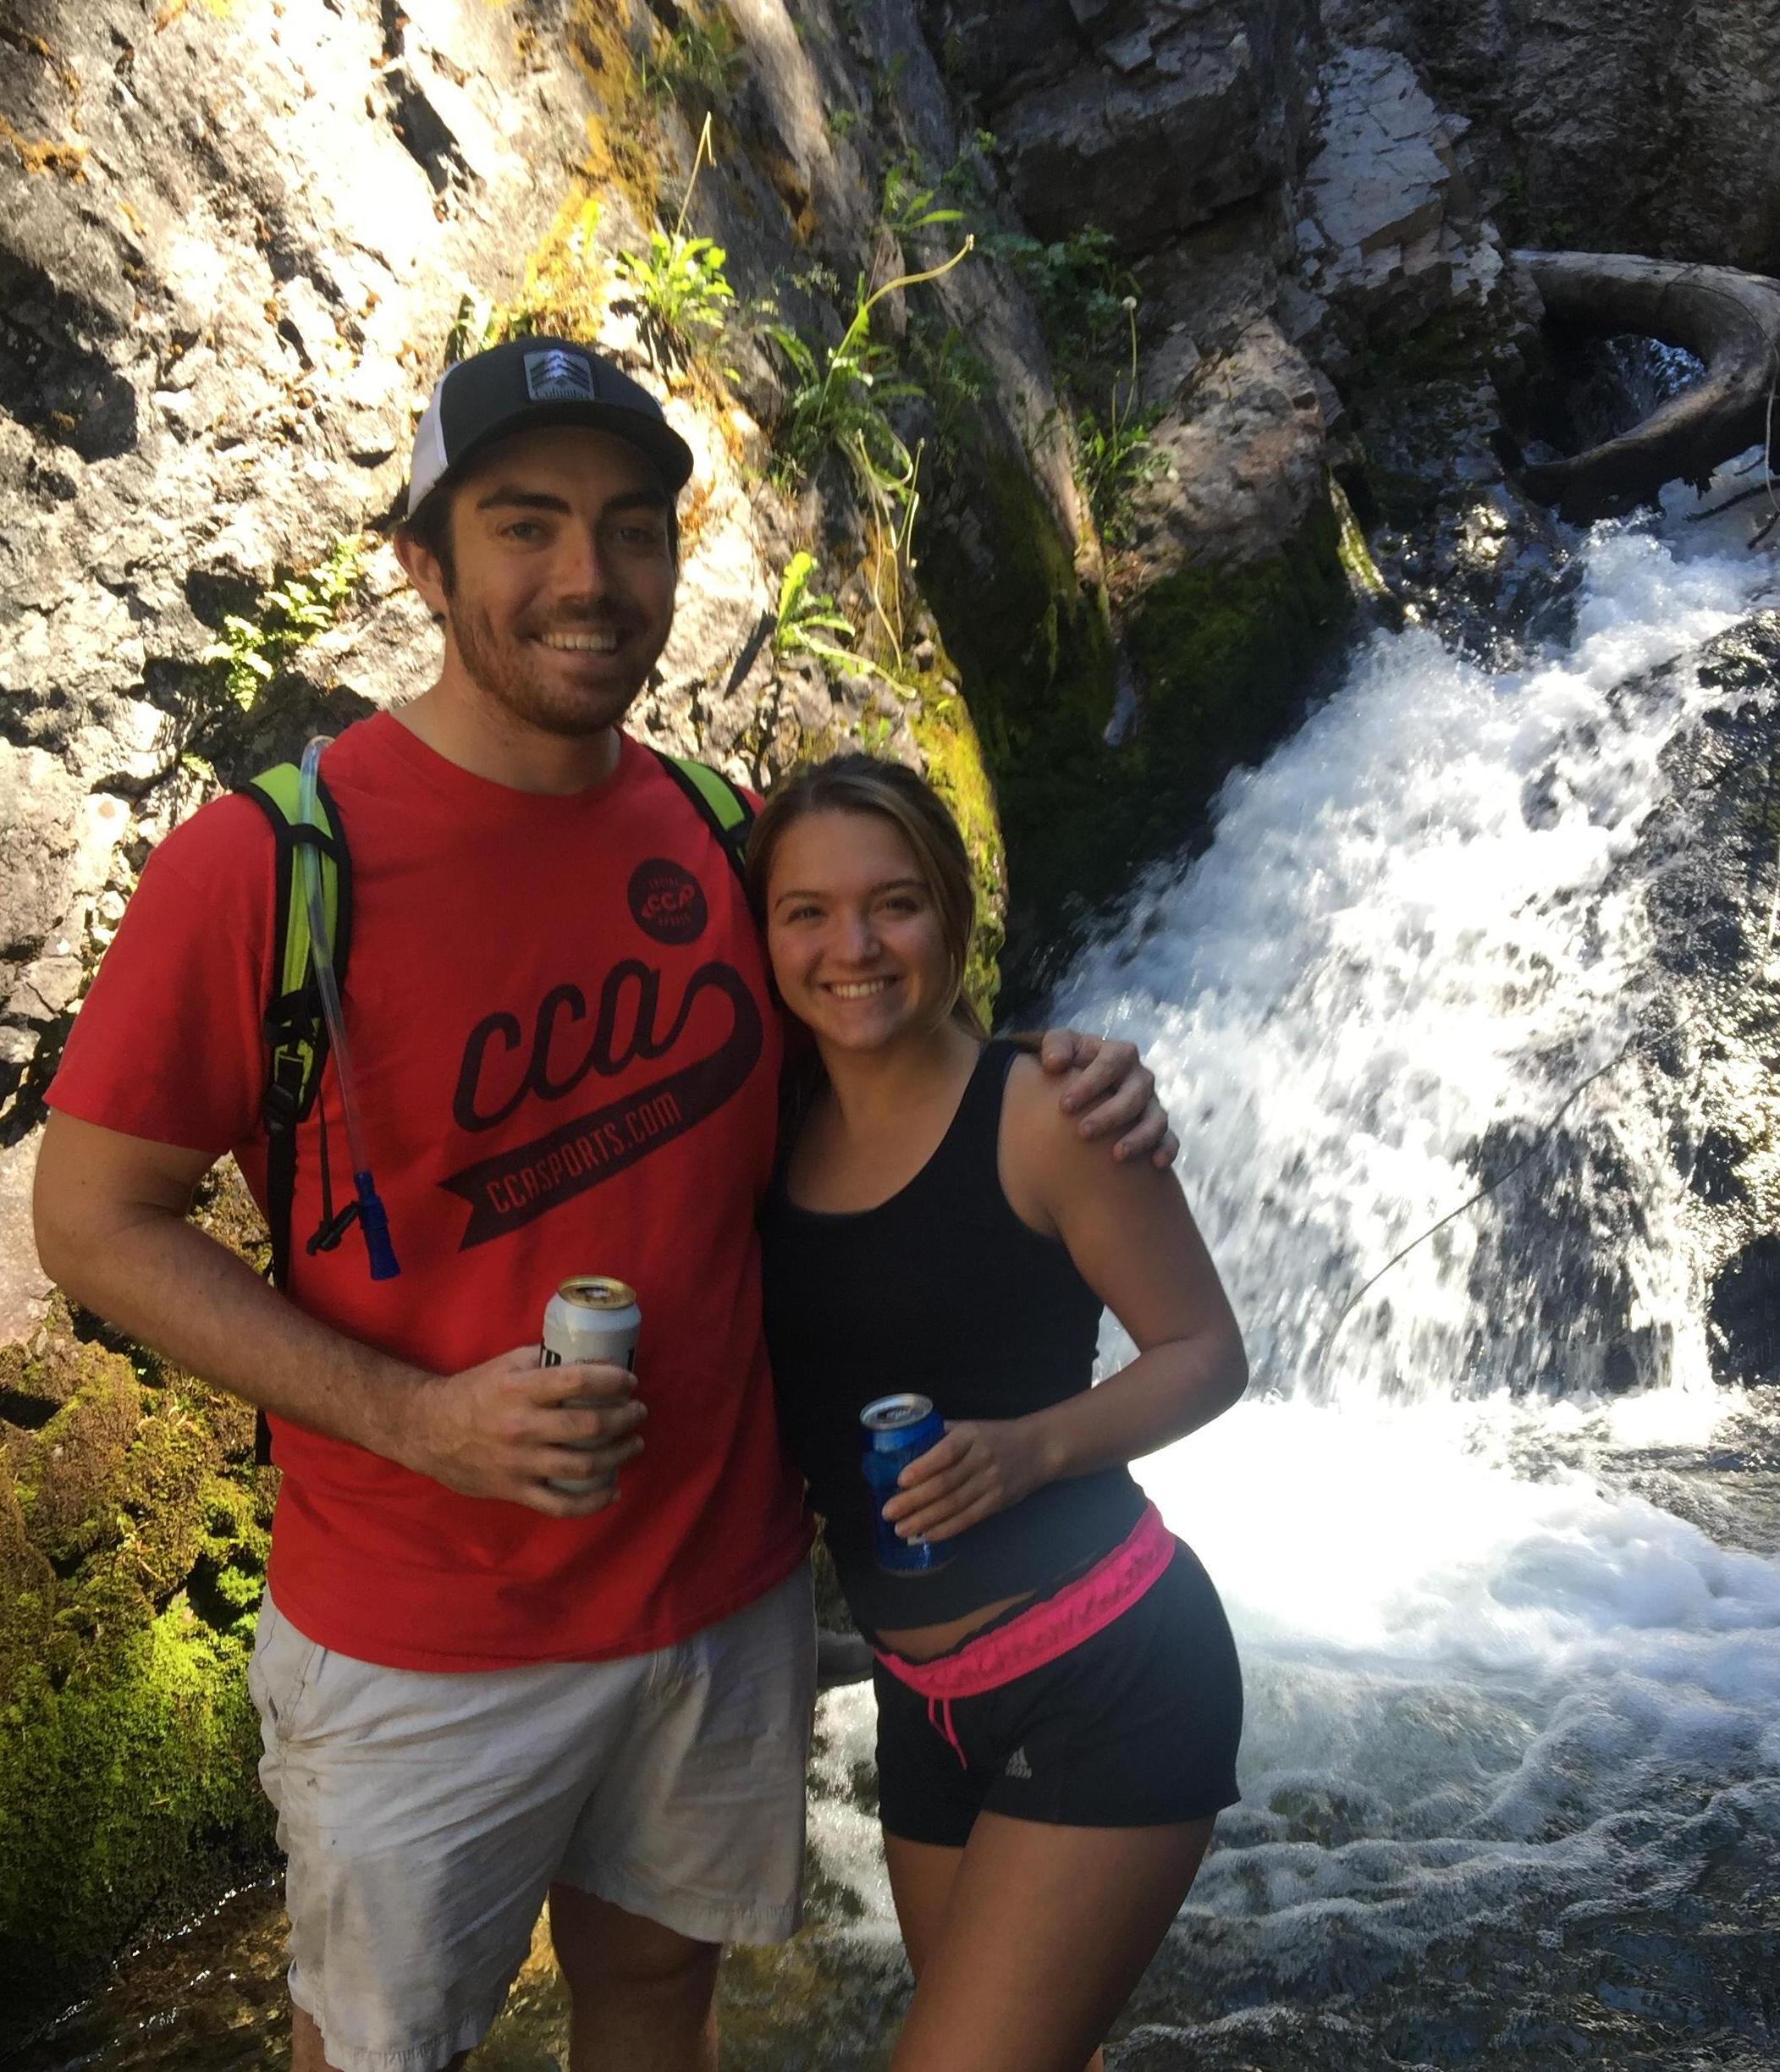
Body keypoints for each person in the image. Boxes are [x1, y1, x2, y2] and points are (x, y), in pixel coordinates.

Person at [29, 336, 1176, 2072]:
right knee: (383, 2048)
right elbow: (94, 1221)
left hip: (720, 1598)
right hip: (423, 1636)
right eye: (526, 525)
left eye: (633, 529)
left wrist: (1069, 1083)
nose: (588, 577)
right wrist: (416, 1416)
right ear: (425, 561)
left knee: (656, 2007)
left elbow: (884, 1065)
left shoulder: (725, 839)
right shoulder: (270, 864)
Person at [751, 755, 1248, 2072]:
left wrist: (1030, 1452)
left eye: (893, 904)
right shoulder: (768, 1127)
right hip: (927, 1704)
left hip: (1112, 1671)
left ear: (953, 920)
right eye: (805, 912)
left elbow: (1206, 1352)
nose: (851, 946)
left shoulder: (1049, 1112)